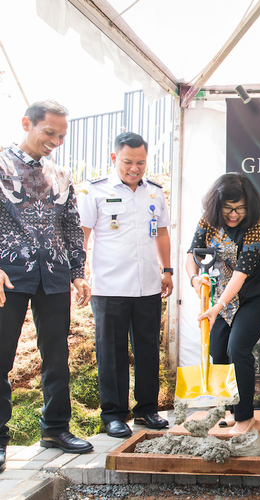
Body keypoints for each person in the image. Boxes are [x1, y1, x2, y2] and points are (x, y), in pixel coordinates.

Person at [0, 100, 94, 470]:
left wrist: (78, 271)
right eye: (48, 132)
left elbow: (71, 225)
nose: (55, 140)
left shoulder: (62, 175)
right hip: (9, 273)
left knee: (56, 356)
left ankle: (55, 428)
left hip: (54, 275)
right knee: (1, 357)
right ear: (27, 124)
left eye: (61, 135)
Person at [78, 132, 171, 438]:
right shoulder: (95, 192)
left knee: (147, 350)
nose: (135, 168)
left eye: (141, 162)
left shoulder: (155, 194)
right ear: (115, 158)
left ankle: (146, 410)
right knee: (112, 352)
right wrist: (78, 273)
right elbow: (84, 235)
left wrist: (167, 270)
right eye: (129, 161)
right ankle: (114, 415)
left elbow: (161, 234)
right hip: (109, 287)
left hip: (147, 285)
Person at [185, 173, 260, 434]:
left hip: (254, 295)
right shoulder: (207, 221)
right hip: (222, 295)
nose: (234, 214)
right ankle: (231, 410)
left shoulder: (254, 226)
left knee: (238, 348)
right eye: (228, 209)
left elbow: (241, 274)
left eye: (240, 208)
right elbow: (192, 254)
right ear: (217, 206)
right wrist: (194, 278)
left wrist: (217, 307)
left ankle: (246, 417)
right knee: (218, 350)